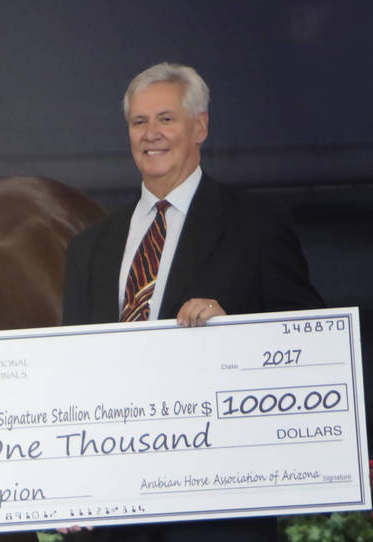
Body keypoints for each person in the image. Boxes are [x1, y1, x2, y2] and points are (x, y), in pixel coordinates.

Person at [61, 63, 324, 542]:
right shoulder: (90, 246)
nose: (151, 134)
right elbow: (73, 372)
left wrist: (235, 333)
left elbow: (309, 347)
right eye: (139, 122)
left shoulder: (257, 225)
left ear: (199, 126)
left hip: (218, 517)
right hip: (117, 515)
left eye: (166, 119)